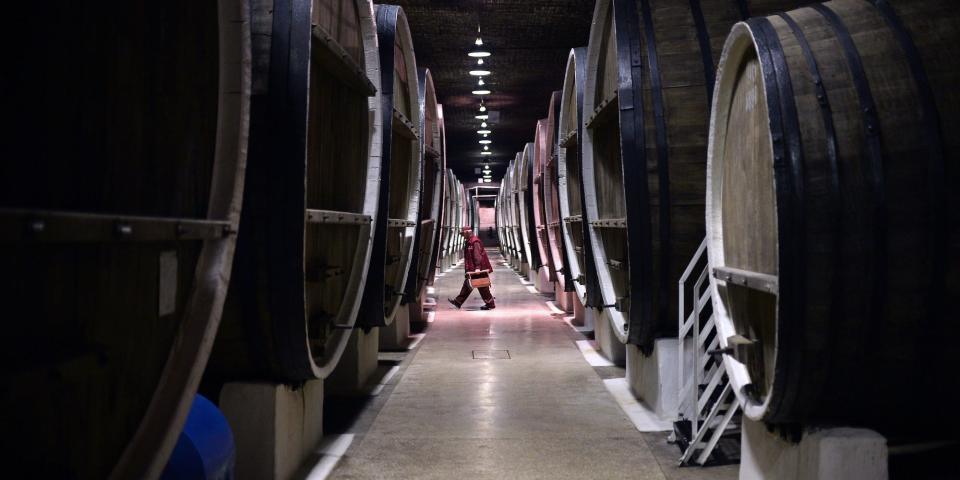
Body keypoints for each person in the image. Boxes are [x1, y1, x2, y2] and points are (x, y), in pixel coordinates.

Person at [448, 226, 496, 310]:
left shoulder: (474, 242)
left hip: (478, 269)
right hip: (472, 269)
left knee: (483, 287)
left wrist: (477, 268)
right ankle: (458, 301)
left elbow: (477, 256)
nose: (463, 236)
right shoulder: (469, 242)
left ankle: (490, 304)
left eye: (463, 234)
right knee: (468, 285)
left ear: (467, 233)